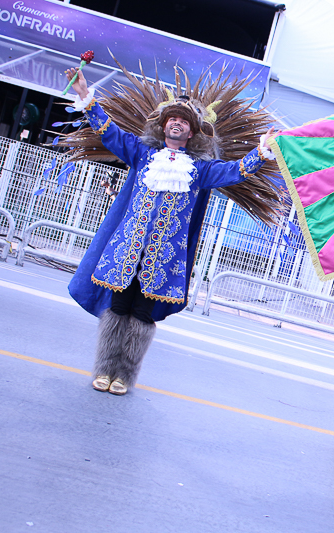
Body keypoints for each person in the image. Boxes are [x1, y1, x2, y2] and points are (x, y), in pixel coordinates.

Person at [64, 65, 279, 395]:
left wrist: (261, 151)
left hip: (164, 262)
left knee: (142, 316)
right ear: (163, 126)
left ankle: (125, 375)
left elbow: (235, 172)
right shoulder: (141, 153)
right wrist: (84, 94)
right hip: (128, 251)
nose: (177, 123)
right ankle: (104, 369)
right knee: (118, 308)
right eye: (172, 119)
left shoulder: (200, 170)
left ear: (191, 133)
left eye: (184, 121)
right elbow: (108, 131)